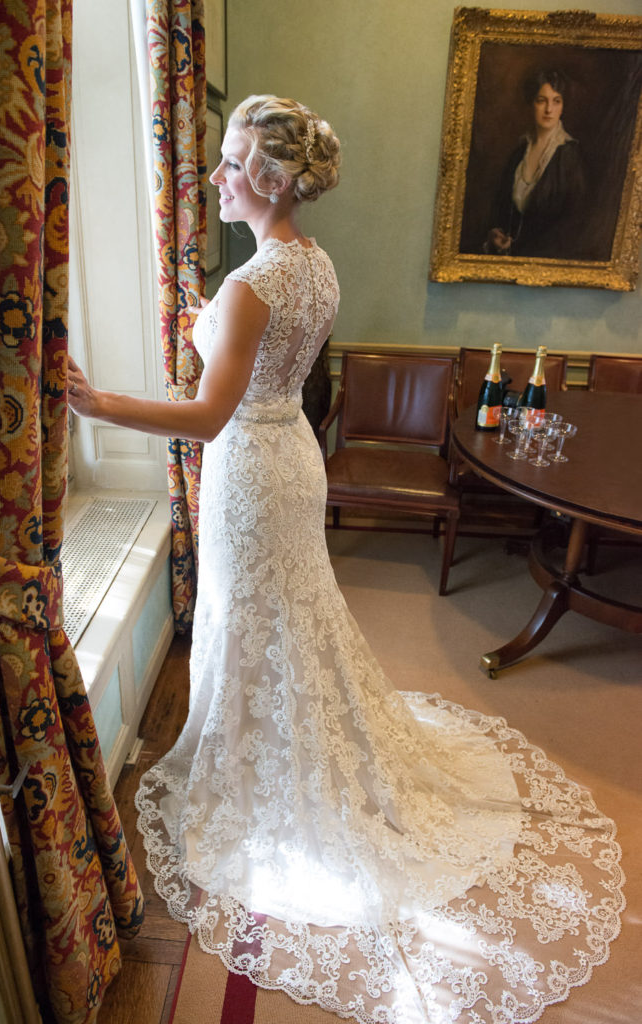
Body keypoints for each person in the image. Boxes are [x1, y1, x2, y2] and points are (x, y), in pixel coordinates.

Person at [68, 95, 622, 1024]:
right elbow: (267, 380)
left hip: (251, 468)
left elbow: (208, 416)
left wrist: (102, 406)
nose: (214, 177)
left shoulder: (253, 284)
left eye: (232, 163)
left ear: (273, 181)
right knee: (287, 614)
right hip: (289, 457)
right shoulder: (309, 264)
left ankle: (271, 771)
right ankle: (268, 740)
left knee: (263, 614)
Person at [484, 68, 587, 258]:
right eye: (542, 100)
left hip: (549, 261)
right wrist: (496, 234)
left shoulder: (570, 155)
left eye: (556, 101)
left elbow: (574, 223)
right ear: (531, 103)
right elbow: (501, 210)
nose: (549, 109)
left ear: (563, 107)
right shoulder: (519, 153)